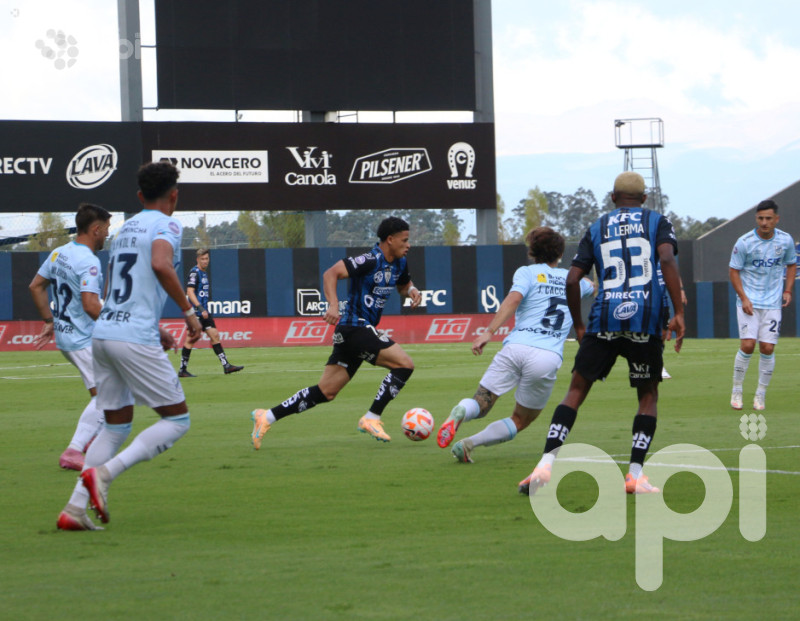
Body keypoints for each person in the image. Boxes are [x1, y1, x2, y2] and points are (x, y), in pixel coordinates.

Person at [57, 161, 202, 531]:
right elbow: (160, 264)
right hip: (132, 337)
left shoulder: (124, 230)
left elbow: (119, 288)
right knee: (177, 421)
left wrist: (155, 326)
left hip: (104, 334)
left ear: (139, 196)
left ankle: (74, 510)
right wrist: (188, 313)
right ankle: (104, 474)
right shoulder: (167, 224)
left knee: (114, 426)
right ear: (174, 196)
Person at [520, 172, 685, 496]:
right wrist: (678, 312)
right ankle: (634, 475)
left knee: (576, 390)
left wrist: (580, 326)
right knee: (647, 395)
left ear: (612, 198)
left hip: (604, 318)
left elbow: (572, 280)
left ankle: (545, 464)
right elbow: (666, 257)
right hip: (645, 318)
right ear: (644, 198)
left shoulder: (597, 226)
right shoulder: (656, 221)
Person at [250, 216, 422, 448]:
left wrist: (411, 290)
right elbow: (330, 274)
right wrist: (333, 305)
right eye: (405, 240)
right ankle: (372, 417)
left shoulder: (400, 262)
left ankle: (267, 416)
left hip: (354, 332)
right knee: (405, 364)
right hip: (355, 327)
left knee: (326, 392)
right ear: (390, 240)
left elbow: (403, 284)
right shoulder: (370, 260)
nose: (408, 245)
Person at [436, 227, 595, 463]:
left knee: (481, 403)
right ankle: (468, 444)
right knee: (521, 420)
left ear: (532, 253)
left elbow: (514, 299)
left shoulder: (527, 272)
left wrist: (488, 332)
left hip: (515, 348)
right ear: (560, 254)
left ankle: (461, 411)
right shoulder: (574, 281)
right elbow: (594, 286)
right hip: (546, 356)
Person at [29, 203, 112, 471]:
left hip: (66, 337)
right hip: (82, 339)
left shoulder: (59, 253)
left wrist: (48, 321)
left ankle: (90, 440)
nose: (107, 234)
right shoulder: (89, 261)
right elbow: (90, 305)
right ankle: (74, 450)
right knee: (108, 395)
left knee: (102, 392)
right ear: (95, 229)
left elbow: (36, 286)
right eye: (106, 229)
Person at [728, 199, 796, 411]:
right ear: (756, 219)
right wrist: (744, 298)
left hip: (772, 303)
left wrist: (787, 290)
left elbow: (792, 264)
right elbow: (733, 271)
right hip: (749, 302)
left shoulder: (785, 240)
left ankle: (760, 394)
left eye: (768, 218)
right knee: (748, 345)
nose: (764, 222)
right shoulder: (744, 242)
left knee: (767, 348)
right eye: (760, 218)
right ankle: (737, 390)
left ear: (776, 219)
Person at [178, 248, 244, 377]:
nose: (205, 261)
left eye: (207, 258)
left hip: (204, 313)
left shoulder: (204, 273)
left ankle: (226, 366)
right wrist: (200, 308)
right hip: (196, 313)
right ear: (197, 259)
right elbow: (190, 292)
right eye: (202, 259)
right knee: (190, 339)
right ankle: (182, 370)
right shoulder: (194, 273)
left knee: (215, 336)